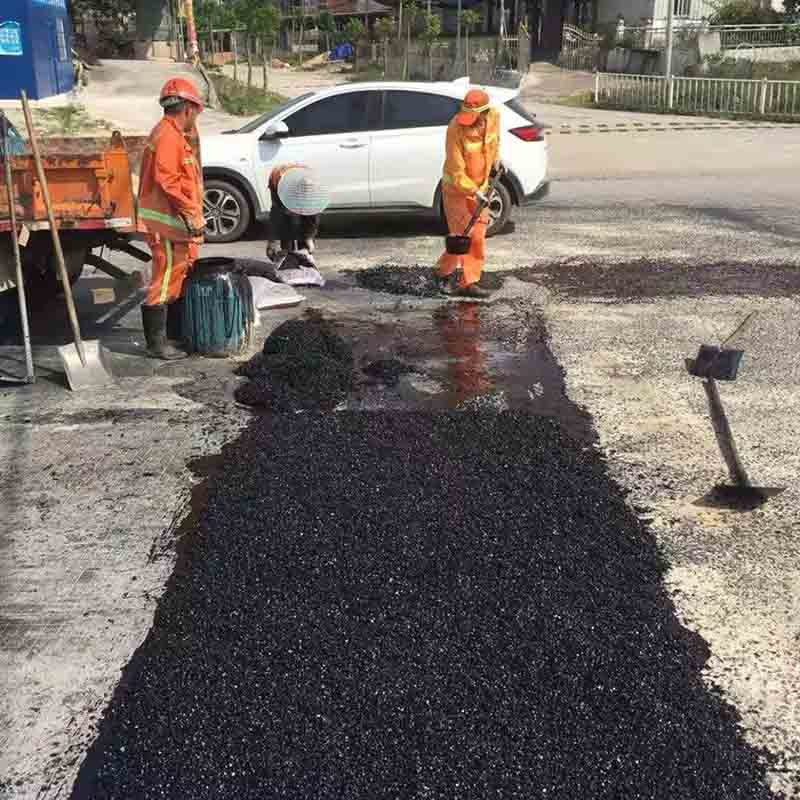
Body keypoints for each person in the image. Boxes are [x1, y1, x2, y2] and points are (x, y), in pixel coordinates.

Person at [137, 77, 205, 360]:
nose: (196, 119)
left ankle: (172, 336)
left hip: (173, 224)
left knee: (177, 273)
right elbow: (168, 181)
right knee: (164, 278)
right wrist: (190, 212)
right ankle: (157, 344)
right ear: (187, 108)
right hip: (164, 223)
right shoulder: (167, 136)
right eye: (196, 112)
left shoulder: (174, 135)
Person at [436, 88, 502, 299]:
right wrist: (473, 191)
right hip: (457, 190)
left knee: (477, 236)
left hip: (480, 188)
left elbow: (493, 142)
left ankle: (468, 282)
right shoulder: (455, 128)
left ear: (484, 112)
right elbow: (456, 171)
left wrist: (498, 159)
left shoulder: (493, 117)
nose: (470, 121)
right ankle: (442, 273)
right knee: (462, 237)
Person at [265, 164, 330, 265]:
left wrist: (309, 237)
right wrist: (272, 241)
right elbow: (276, 216)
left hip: (302, 185)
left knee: (304, 220)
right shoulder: (278, 183)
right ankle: (286, 254)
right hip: (279, 181)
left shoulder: (312, 187)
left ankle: (304, 254)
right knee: (285, 221)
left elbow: (313, 216)